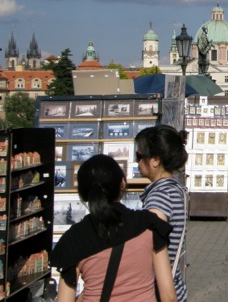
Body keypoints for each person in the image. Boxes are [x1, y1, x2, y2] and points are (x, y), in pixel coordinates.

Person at [51, 154, 177, 302]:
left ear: (84, 194)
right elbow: (169, 297)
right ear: (122, 183)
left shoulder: (74, 238)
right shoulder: (149, 225)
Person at [135, 125, 189, 302]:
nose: (137, 162)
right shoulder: (175, 190)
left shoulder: (160, 196)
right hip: (175, 286)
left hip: (160, 291)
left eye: (139, 156)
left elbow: (151, 243)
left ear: (155, 160)